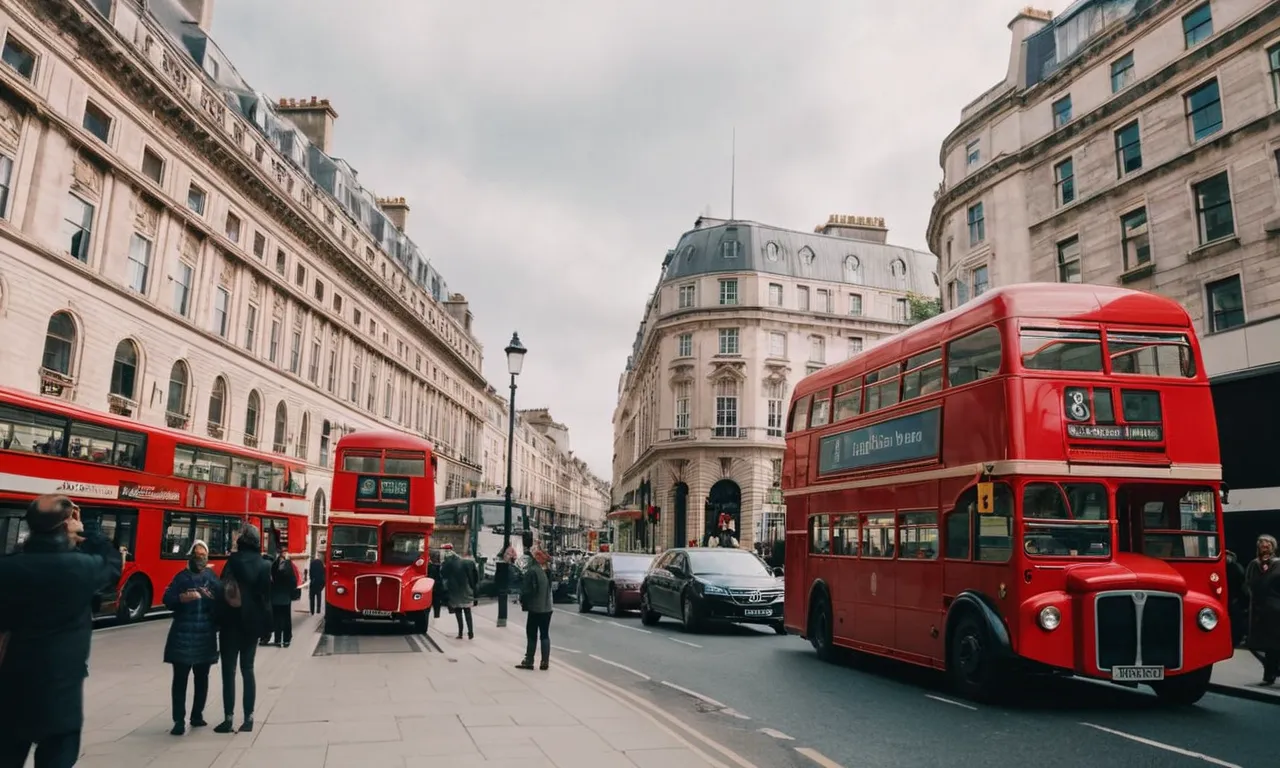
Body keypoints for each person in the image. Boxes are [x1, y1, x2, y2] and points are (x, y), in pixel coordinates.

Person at [0, 494, 122, 768]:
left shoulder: (7, 569)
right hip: (61, 695)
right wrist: (88, 528)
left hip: (10, 692)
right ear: (66, 523)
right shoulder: (81, 568)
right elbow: (113, 563)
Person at [214, 524, 271, 734]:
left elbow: (223, 590)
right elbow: (266, 600)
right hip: (252, 624)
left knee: (228, 672)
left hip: (230, 622)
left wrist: (217, 620)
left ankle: (228, 718)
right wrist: (267, 628)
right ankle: (249, 718)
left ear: (242, 540)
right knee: (248, 669)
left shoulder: (232, 561)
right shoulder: (264, 565)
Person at [162, 540, 220, 735]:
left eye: (203, 555)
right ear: (190, 556)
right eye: (197, 555)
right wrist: (181, 599)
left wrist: (211, 598)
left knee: (201, 678)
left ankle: (197, 715)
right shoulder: (181, 578)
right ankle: (179, 720)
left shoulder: (211, 578)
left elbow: (221, 602)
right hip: (182, 637)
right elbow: (167, 599)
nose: (200, 559)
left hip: (204, 637)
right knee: (180, 680)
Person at [1245, 533, 1280, 684]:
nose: (1264, 547)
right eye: (1262, 544)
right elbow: (1247, 584)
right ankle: (1272, 670)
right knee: (1255, 644)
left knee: (1274, 644)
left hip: (1276, 609)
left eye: (1268, 544)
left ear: (1273, 547)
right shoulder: (1254, 564)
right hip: (1258, 609)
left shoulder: (1278, 564)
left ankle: (1270, 674)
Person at [516, 548, 553, 671]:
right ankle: (544, 662)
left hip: (535, 608)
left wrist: (522, 600)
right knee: (544, 635)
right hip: (547, 608)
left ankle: (529, 660)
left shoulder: (532, 571)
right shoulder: (547, 571)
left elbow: (527, 590)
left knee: (531, 634)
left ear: (537, 558)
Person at [440, 543, 478, 639]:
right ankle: (470, 633)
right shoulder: (465, 563)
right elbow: (473, 577)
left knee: (458, 612)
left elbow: (443, 575)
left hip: (455, 592)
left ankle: (460, 633)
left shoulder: (448, 564)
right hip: (465, 590)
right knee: (467, 612)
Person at [269, 551, 297, 647]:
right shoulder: (288, 567)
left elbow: (271, 581)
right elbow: (293, 581)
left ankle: (277, 639)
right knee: (286, 619)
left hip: (275, 597)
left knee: (277, 619)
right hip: (285, 597)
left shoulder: (273, 566)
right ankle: (286, 640)